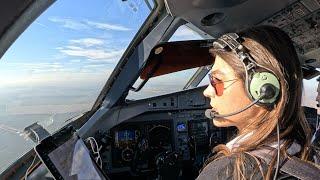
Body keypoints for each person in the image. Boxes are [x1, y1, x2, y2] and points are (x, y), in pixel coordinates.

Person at [197, 26, 320, 180]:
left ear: (263, 90)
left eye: (217, 81)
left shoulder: (228, 171)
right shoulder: (309, 154)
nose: (207, 92)